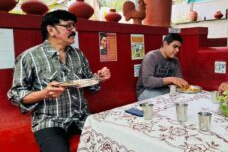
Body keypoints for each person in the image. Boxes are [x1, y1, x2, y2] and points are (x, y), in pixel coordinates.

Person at [7, 10, 111, 152]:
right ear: (51, 30)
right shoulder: (29, 57)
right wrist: (44, 93)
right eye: (69, 26)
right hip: (50, 121)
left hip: (81, 117)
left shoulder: (78, 54)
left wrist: (99, 78)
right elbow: (15, 95)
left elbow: (90, 85)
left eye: (74, 26)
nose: (74, 30)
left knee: (111, 139)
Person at [136, 33, 189, 101]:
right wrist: (171, 79)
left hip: (165, 90)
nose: (177, 50)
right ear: (165, 44)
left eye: (179, 48)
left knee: (184, 99)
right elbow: (147, 82)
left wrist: (183, 84)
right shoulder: (151, 57)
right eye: (175, 46)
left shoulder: (176, 61)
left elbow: (178, 80)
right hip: (146, 91)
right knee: (169, 101)